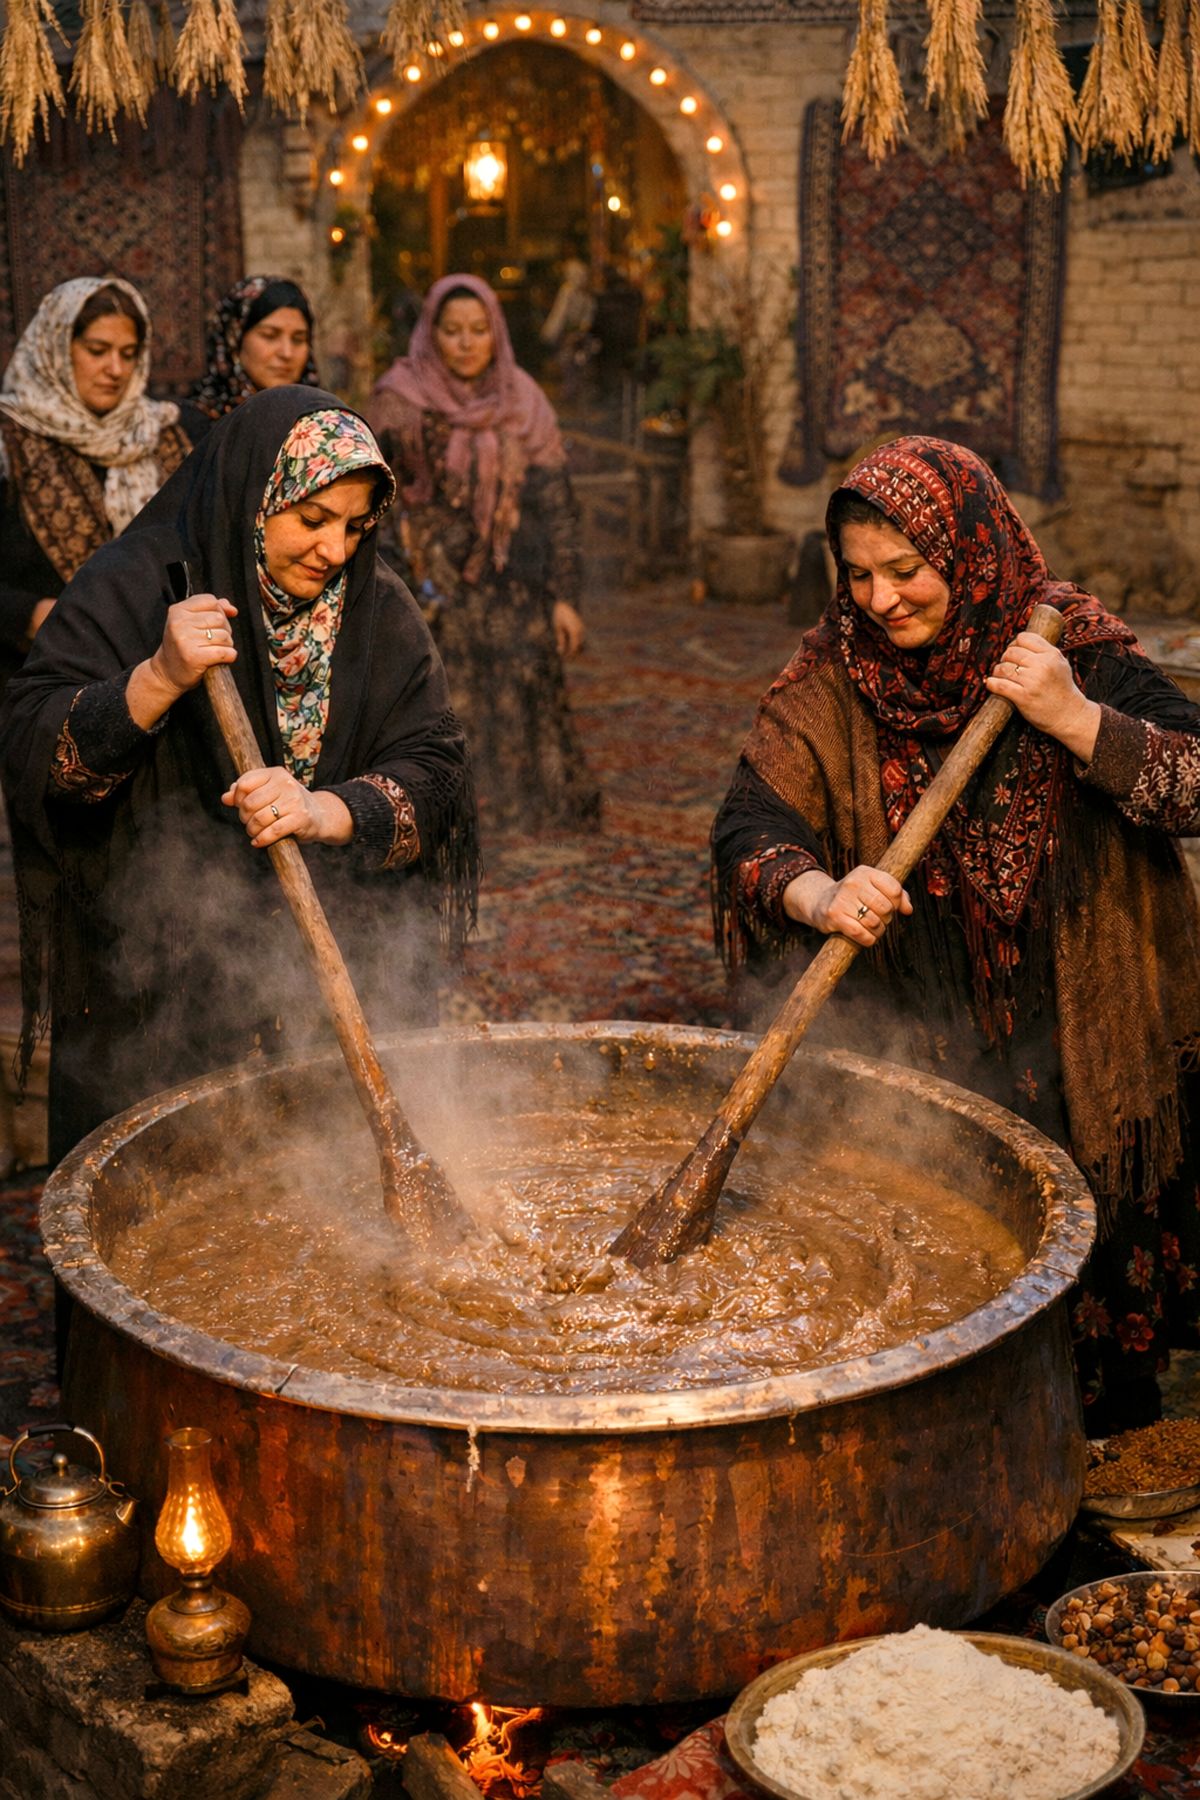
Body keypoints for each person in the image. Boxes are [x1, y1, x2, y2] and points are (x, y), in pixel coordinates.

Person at [712, 434, 1200, 1434]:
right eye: (859, 577)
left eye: (908, 570)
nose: (883, 600)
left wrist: (1074, 718)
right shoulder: (833, 672)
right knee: (946, 1260)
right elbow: (748, 827)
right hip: (925, 1027)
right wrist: (816, 892)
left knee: (1092, 1276)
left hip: (1082, 1023)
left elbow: (1196, 782)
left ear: (971, 551)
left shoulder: (1073, 649)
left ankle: (1104, 1440)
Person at [1, 386, 478, 1168]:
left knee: (331, 1207)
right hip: (154, 976)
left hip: (327, 977)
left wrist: (328, 809)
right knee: (163, 1212)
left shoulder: (376, 607)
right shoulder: (136, 584)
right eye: (312, 519)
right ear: (255, 499)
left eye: (357, 526)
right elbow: (35, 749)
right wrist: (156, 676)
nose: (336, 552)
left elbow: (437, 772)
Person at [368, 273, 600, 833]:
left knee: (529, 690)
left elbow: (556, 509)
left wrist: (564, 598)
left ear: (496, 334)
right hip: (434, 592)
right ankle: (448, 819)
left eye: (479, 331)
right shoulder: (399, 402)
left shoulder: (523, 401)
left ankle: (524, 813)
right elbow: (376, 507)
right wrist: (399, 592)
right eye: (452, 331)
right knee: (445, 706)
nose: (467, 343)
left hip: (515, 584)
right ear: (431, 333)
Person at [0, 276, 193, 691]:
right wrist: (27, 614)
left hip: (161, 682)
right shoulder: (9, 442)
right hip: (34, 684)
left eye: (128, 354)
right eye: (97, 351)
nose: (116, 370)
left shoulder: (166, 432)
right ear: (55, 347)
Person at [190, 276, 320, 422]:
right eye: (270, 336)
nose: (287, 353)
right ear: (234, 340)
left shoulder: (325, 424)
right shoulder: (191, 430)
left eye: (298, 339)